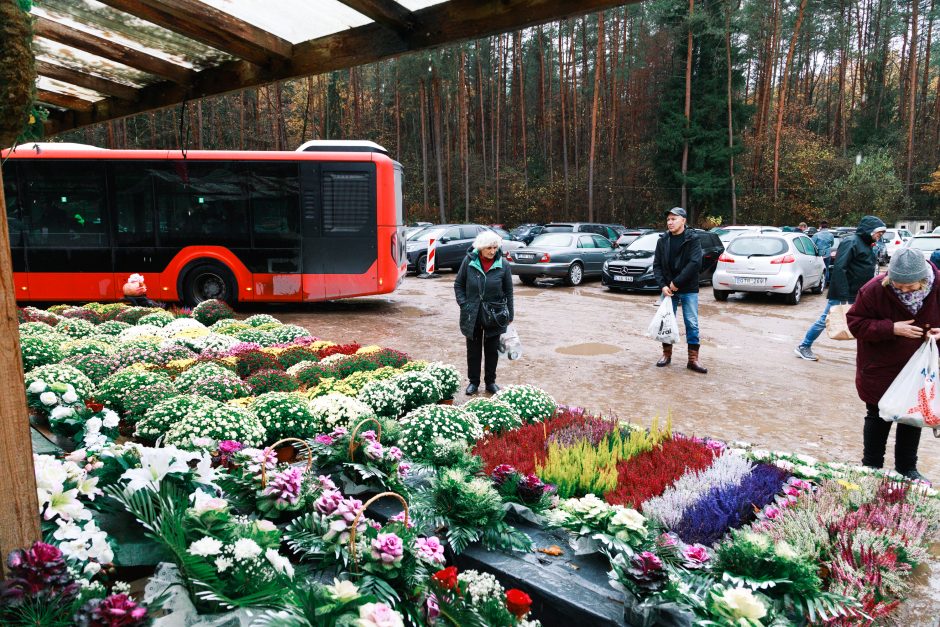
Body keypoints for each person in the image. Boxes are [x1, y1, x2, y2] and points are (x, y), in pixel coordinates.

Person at [846, 248, 940, 483]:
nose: (903, 290)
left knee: (912, 416)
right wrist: (891, 328)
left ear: (923, 279)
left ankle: (907, 468)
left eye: (910, 287)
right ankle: (871, 466)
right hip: (880, 366)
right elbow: (855, 324)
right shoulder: (874, 289)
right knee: (877, 415)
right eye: (898, 285)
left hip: (919, 368)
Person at [794, 215, 886, 361]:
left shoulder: (867, 244)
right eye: (878, 233)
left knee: (865, 322)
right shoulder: (851, 242)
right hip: (844, 293)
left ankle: (869, 355)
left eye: (881, 234)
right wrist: (842, 295)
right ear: (869, 230)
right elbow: (839, 267)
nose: (879, 236)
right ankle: (804, 346)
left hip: (860, 293)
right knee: (825, 320)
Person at [454, 230, 514, 395]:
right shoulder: (469, 261)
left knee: (492, 350)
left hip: (495, 314)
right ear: (480, 248)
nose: (493, 251)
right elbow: (459, 284)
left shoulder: (503, 264)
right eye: (489, 248)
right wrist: (464, 304)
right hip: (471, 314)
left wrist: (510, 314)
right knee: (473, 351)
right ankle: (473, 382)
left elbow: (508, 292)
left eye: (495, 247)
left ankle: (490, 382)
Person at [652, 207, 706, 373]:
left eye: (673, 219)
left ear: (683, 220)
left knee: (692, 323)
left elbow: (694, 264)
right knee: (666, 321)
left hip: (688, 288)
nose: (670, 222)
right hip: (668, 290)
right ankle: (666, 355)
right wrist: (663, 285)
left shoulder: (693, 239)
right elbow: (657, 265)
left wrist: (677, 283)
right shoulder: (663, 240)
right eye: (668, 219)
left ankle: (693, 360)